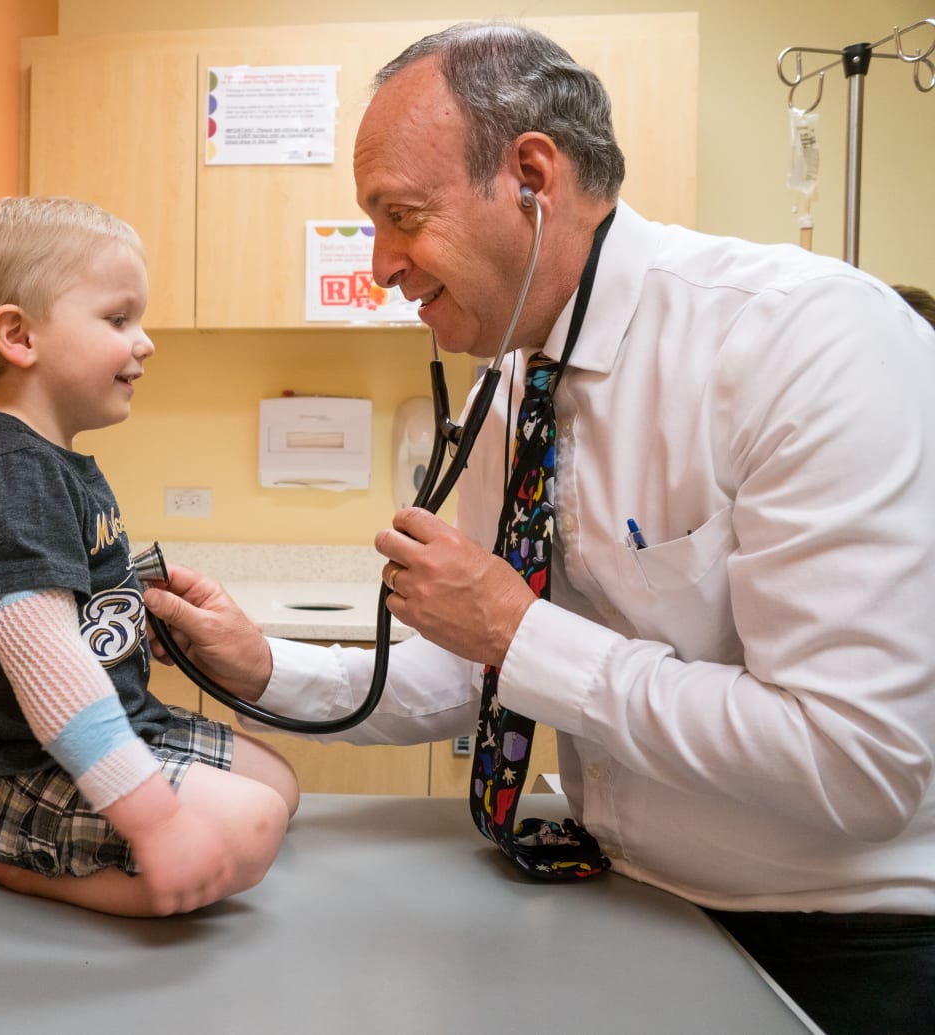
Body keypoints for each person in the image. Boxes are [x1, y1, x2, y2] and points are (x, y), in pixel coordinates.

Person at [143, 22, 934, 1033]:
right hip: (626, 897)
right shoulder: (518, 381)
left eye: (402, 216)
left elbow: (855, 761)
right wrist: (262, 668)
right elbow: (474, 671)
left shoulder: (807, 343)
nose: (381, 265)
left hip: (841, 944)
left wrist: (521, 633)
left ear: (531, 177)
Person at [0, 195, 298, 918]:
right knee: (250, 828)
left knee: (278, 786)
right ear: (17, 334)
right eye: (119, 318)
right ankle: (29, 872)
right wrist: (154, 820)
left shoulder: (52, 461)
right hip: (9, 769)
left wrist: (128, 625)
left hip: (115, 723)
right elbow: (43, 658)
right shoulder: (10, 471)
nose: (146, 340)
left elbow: (74, 618)